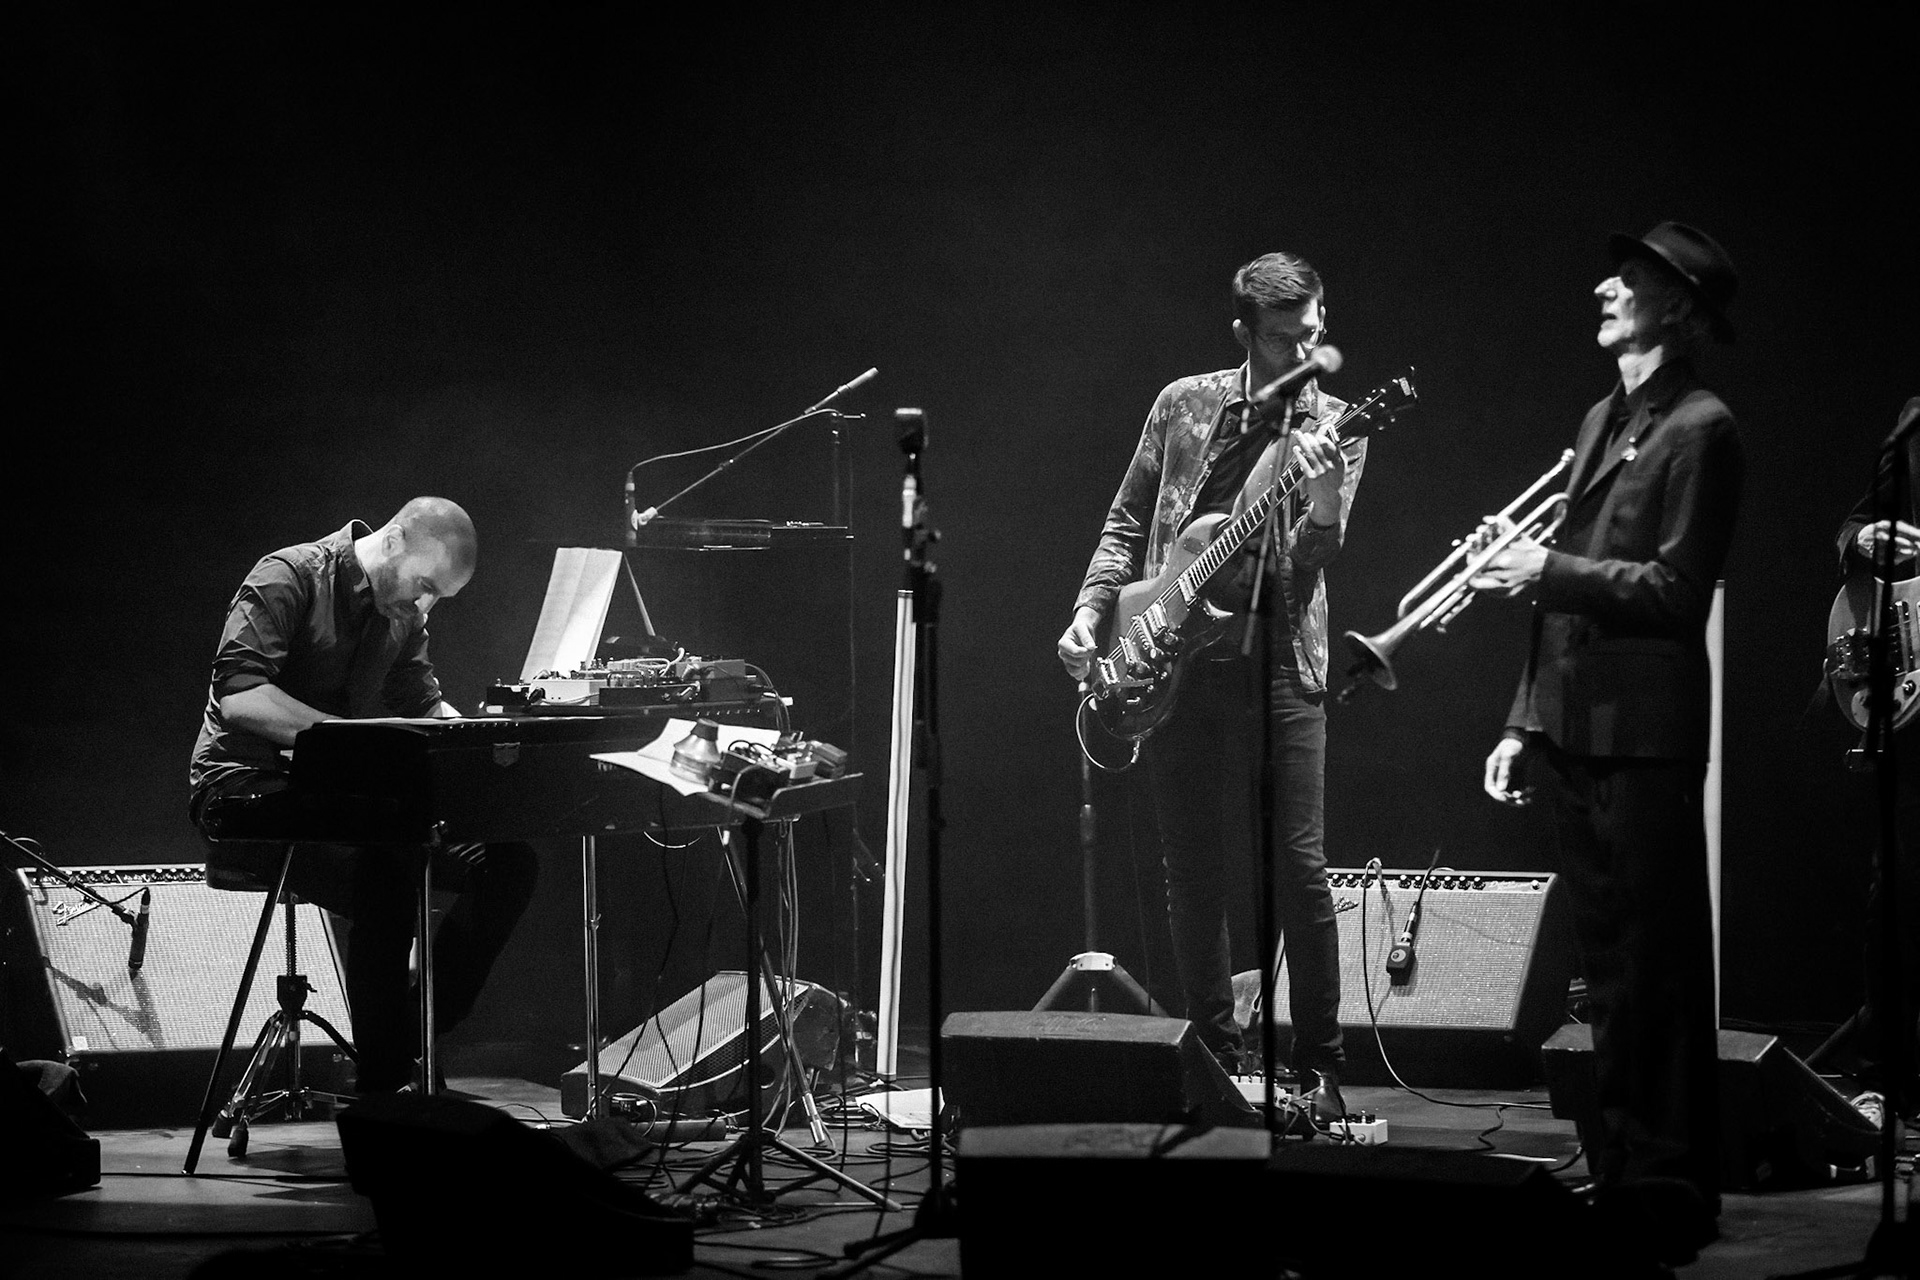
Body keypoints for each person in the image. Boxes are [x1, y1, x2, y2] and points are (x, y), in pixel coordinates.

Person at [1474, 222, 1742, 1265]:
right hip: (1577, 725)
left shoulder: (1705, 428)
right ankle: (1622, 1168)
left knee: (1658, 968)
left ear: (1675, 308)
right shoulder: (1604, 417)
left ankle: (1672, 1185)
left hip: (1648, 733)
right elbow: (1566, 584)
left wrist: (1543, 566)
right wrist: (1518, 717)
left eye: (1626, 282)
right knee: (1604, 974)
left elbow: (1676, 592)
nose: (1602, 289)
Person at [1057, 251, 1363, 1120]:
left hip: (1280, 661)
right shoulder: (1184, 404)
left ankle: (1322, 1071)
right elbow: (1128, 518)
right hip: (1172, 656)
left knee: (1299, 872)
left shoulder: (1337, 426)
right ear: (1244, 334)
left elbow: (1311, 564)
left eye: (1315, 327)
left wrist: (1329, 502)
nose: (1307, 345)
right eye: (1284, 336)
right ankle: (1215, 1061)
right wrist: (1092, 611)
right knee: (1190, 870)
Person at [188, 497, 538, 1094]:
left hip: (337, 797)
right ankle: (385, 1091)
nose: (424, 604)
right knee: (390, 866)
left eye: (437, 598)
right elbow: (242, 699)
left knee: (510, 862)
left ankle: (407, 1037)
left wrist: (475, 747)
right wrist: (354, 747)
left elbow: (423, 703)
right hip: (244, 790)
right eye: (424, 585)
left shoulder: (403, 614)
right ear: (394, 541)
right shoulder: (288, 575)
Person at [1829, 399, 1920, 1117]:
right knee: (1894, 893)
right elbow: (1857, 522)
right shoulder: (1914, 425)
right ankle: (1882, 1077)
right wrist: (1863, 543)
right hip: (1915, 711)